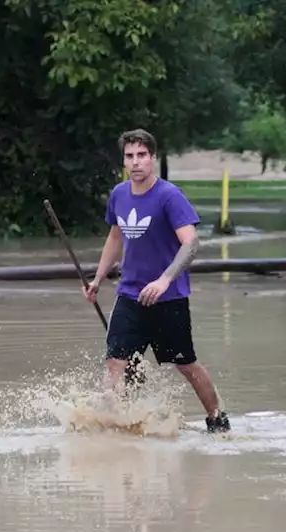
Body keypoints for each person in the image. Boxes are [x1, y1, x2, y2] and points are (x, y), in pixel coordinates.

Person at [83, 128, 231, 434]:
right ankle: (112, 429)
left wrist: (164, 280)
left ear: (153, 159)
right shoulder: (118, 195)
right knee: (115, 363)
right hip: (129, 296)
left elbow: (190, 244)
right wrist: (97, 278)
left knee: (186, 365)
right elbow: (115, 237)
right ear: (123, 160)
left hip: (169, 298)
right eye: (129, 156)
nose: (135, 162)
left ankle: (217, 418)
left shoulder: (169, 196)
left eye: (141, 155)